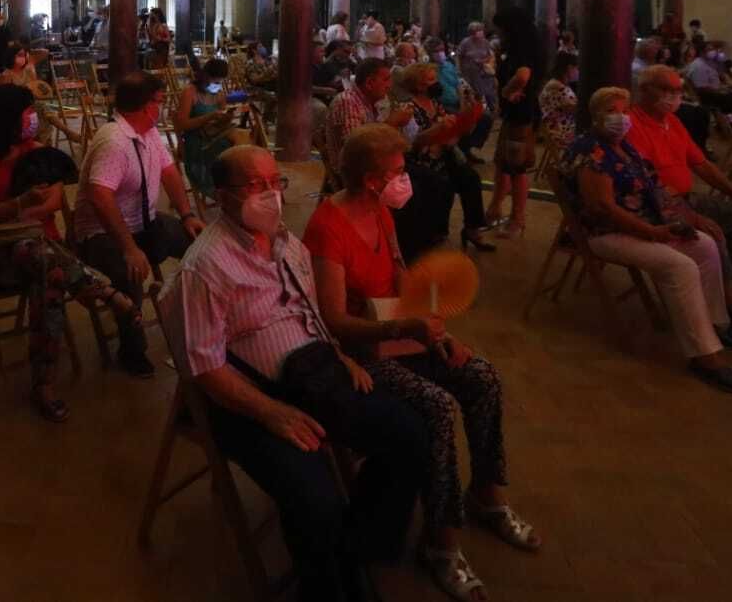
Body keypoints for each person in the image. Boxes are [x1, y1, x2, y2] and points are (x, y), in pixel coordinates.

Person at [156, 144, 432, 602]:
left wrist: (338, 356)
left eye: (274, 183)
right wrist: (272, 413)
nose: (270, 195)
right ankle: (327, 586)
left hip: (313, 372)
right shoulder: (204, 268)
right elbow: (204, 368)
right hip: (246, 397)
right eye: (254, 185)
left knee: (409, 436)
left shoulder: (287, 242)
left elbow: (307, 307)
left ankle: (358, 547)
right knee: (315, 500)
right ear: (221, 196)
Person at [308, 125, 540, 600]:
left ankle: (488, 493)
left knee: (481, 377)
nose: (404, 179)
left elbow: (400, 278)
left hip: (397, 331)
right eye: (396, 171)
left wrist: (438, 332)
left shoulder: (381, 213)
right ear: (371, 179)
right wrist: (402, 330)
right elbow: (333, 320)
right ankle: (442, 539)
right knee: (435, 406)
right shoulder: (327, 226)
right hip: (360, 351)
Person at [0, 85, 139, 422]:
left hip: (45, 253)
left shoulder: (38, 152)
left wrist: (18, 214)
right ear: (6, 118)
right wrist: (21, 206)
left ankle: (45, 382)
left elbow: (55, 201)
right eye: (27, 112)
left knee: (47, 270)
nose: (33, 118)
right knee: (39, 257)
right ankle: (104, 291)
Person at [559, 88, 732, 395]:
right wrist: (652, 233)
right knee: (679, 265)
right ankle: (705, 357)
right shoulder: (591, 151)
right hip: (606, 233)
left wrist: (682, 218)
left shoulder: (626, 147)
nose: (622, 118)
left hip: (645, 224)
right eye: (614, 111)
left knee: (704, 245)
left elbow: (655, 187)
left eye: (625, 110)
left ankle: (716, 325)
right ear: (598, 115)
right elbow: (604, 208)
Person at [627, 66, 732, 348]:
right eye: (667, 91)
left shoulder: (672, 122)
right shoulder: (633, 125)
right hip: (659, 205)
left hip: (687, 198)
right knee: (714, 235)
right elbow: (646, 184)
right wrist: (689, 215)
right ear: (644, 91)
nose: (674, 97)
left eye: (677, 90)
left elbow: (701, 164)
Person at [73, 72, 206, 376]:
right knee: (128, 271)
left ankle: (198, 321)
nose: (161, 109)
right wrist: (129, 247)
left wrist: (187, 214)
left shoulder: (147, 134)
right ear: (146, 107)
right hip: (101, 233)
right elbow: (100, 197)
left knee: (200, 244)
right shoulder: (114, 141)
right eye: (158, 103)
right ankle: (132, 349)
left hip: (144, 223)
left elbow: (170, 172)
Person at [393, 61, 489, 256]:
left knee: (470, 178)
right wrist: (440, 129)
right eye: (430, 80)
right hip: (420, 160)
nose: (436, 82)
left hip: (443, 154)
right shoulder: (408, 108)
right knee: (442, 184)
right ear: (418, 85)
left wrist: (466, 119)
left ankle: (472, 228)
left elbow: (450, 136)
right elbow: (414, 143)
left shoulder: (436, 104)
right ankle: (436, 233)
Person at [486, 7, 540, 239]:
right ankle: (495, 209)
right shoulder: (525, 48)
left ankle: (517, 219)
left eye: (501, 29)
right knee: (503, 163)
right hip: (516, 114)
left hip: (520, 115)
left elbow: (523, 75)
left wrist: (507, 93)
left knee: (516, 168)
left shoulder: (521, 51)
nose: (499, 33)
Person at [325, 58, 413, 176]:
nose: (390, 85)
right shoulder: (348, 102)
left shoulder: (367, 101)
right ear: (369, 83)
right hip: (355, 176)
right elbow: (357, 148)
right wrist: (393, 122)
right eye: (386, 80)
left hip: (370, 166)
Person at [177, 59, 238, 193]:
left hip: (213, 134)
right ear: (205, 76)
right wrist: (208, 117)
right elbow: (182, 124)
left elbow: (222, 118)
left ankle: (237, 185)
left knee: (240, 143)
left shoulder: (218, 93)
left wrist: (227, 116)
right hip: (197, 141)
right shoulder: (190, 92)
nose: (217, 85)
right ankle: (225, 187)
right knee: (231, 152)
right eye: (215, 81)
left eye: (220, 82)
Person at [538, 52, 579, 149]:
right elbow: (574, 108)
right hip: (561, 133)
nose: (578, 72)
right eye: (577, 68)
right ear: (569, 68)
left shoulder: (556, 83)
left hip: (561, 128)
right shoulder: (557, 87)